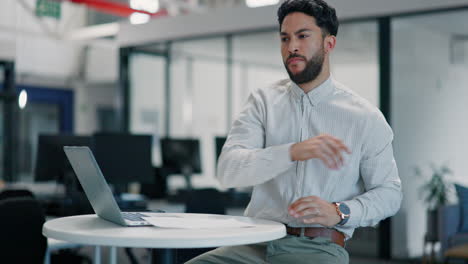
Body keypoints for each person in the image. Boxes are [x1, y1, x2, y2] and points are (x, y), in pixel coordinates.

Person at [187, 0, 402, 263]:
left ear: (329, 44)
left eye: (303, 36)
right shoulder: (262, 102)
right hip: (254, 243)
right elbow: (229, 170)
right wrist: (291, 152)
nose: (292, 47)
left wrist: (340, 211)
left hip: (318, 247)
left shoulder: (365, 117)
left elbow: (390, 193)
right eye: (285, 38)